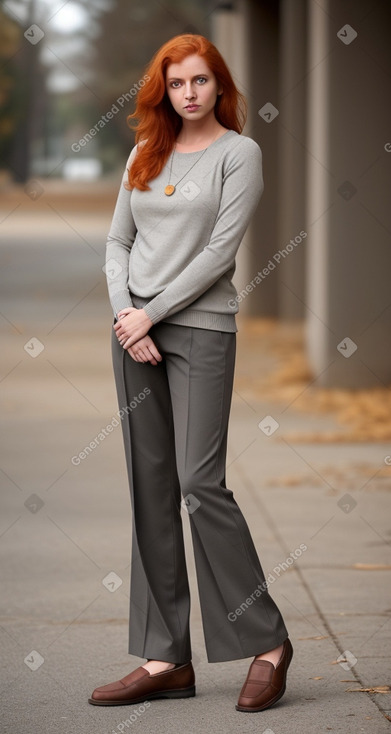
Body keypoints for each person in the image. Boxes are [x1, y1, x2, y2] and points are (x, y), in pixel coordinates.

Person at [88, 33, 292, 713]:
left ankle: (266, 643)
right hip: (133, 335)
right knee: (149, 490)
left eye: (200, 81)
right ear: (163, 90)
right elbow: (118, 240)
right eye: (177, 83)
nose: (189, 93)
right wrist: (126, 314)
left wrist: (152, 314)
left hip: (199, 330)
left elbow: (217, 253)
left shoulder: (240, 154)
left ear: (219, 86)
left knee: (199, 484)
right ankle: (164, 657)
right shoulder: (144, 154)